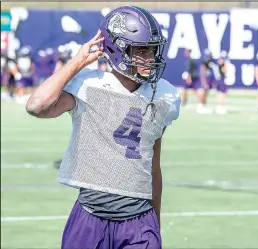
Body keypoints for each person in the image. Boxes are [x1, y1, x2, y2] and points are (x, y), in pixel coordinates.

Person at [26, 6, 181, 249]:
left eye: (152, 50)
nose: (150, 58)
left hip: (140, 221)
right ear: (117, 50)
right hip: (90, 218)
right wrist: (76, 62)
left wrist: (155, 224)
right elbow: (37, 105)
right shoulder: (89, 85)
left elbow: (154, 167)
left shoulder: (164, 95)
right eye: (141, 51)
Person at [215, 50, 229, 115]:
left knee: (221, 93)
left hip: (220, 79)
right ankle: (220, 106)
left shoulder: (220, 62)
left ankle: (220, 106)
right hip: (221, 79)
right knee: (222, 93)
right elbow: (224, 70)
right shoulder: (222, 63)